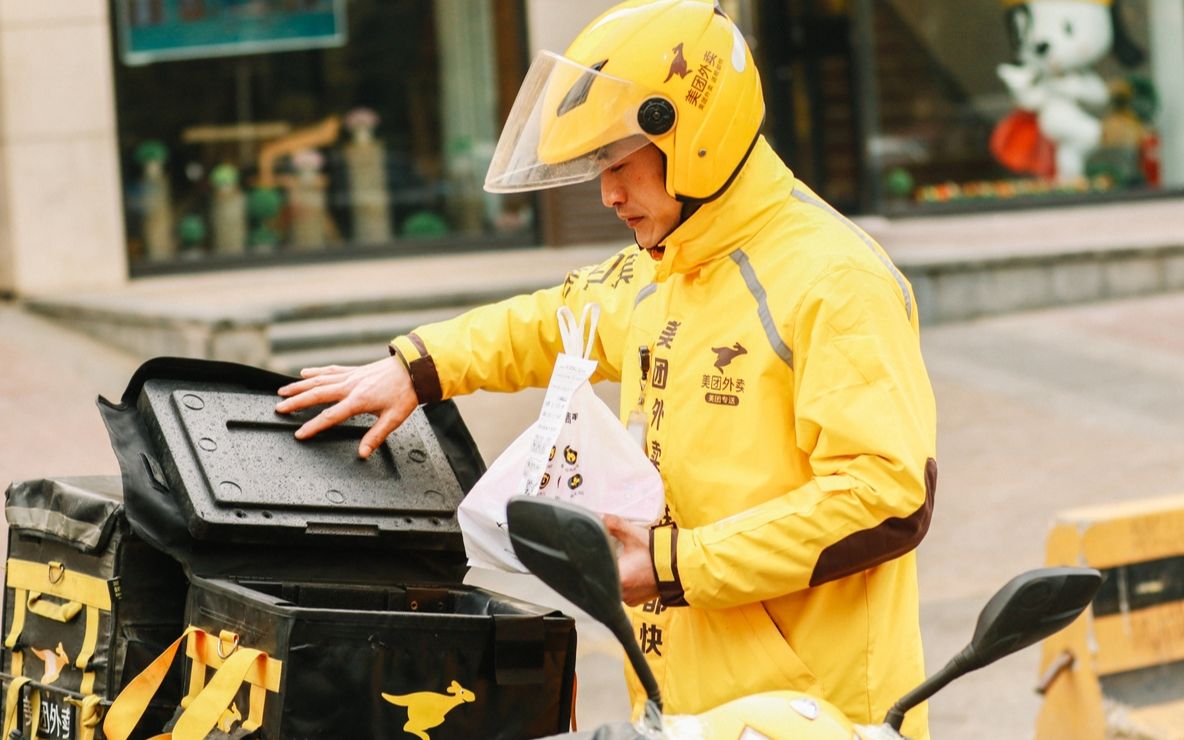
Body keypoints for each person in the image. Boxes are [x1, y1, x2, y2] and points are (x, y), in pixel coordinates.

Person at [276, 0, 937, 736]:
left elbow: (886, 500)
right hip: (682, 705)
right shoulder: (666, 268)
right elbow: (548, 321)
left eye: (620, 165)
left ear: (697, 140)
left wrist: (675, 564)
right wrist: (415, 368)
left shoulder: (834, 281)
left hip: (816, 712)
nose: (608, 194)